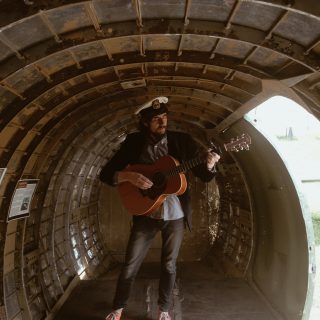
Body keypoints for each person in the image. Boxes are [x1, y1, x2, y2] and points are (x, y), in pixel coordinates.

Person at [99, 96, 220, 320]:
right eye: (156, 119)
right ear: (145, 122)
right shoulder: (133, 142)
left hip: (175, 216)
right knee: (130, 264)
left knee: (169, 264)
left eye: (164, 117)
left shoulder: (182, 141)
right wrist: (129, 177)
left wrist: (210, 164)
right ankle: (118, 309)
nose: (162, 122)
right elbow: (105, 174)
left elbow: (203, 175)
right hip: (145, 212)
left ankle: (164, 310)